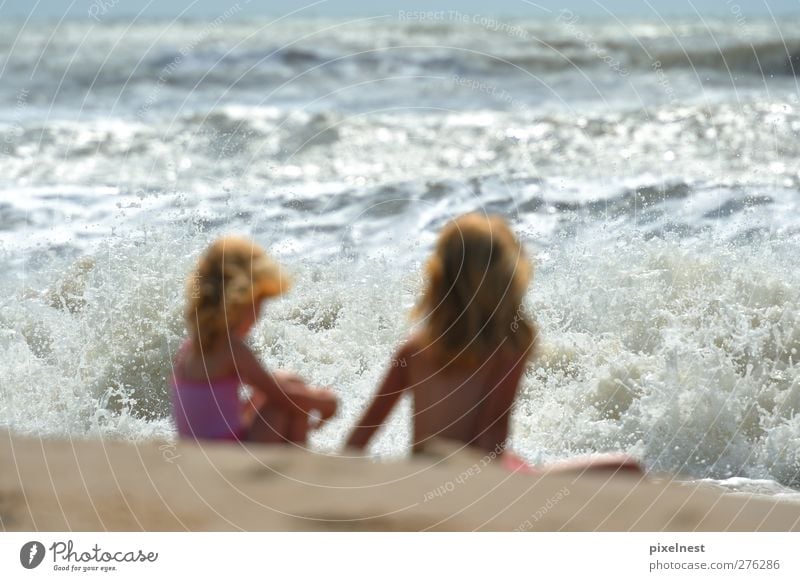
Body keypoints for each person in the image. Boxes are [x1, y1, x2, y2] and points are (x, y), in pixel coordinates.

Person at [346, 214, 641, 475]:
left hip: (424, 481)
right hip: (479, 485)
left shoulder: (413, 350)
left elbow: (356, 442)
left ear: (440, 278)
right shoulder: (506, 351)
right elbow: (490, 442)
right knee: (626, 466)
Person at [171, 236, 337, 444]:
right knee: (284, 402)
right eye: (258, 302)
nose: (259, 314)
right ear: (238, 301)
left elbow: (218, 411)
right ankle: (300, 463)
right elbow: (278, 396)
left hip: (203, 450)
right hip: (226, 456)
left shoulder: (190, 348)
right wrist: (325, 403)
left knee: (286, 380)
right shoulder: (231, 348)